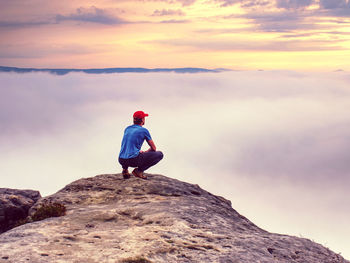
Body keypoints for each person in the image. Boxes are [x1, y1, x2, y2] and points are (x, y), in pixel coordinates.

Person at [118, 111, 163, 180]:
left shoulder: (127, 129)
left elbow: (129, 144)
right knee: (159, 154)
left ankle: (125, 169)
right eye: (144, 118)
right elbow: (153, 148)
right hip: (133, 160)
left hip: (121, 159)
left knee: (127, 152)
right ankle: (139, 171)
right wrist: (145, 152)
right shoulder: (144, 131)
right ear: (142, 120)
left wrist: (137, 151)